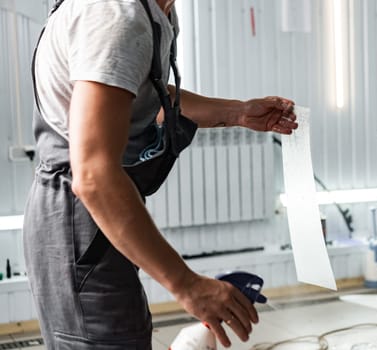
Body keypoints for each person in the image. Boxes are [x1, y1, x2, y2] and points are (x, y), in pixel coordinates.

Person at [23, 0, 298, 348]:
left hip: (97, 214)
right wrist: (188, 285)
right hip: (79, 216)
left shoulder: (156, 12)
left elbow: (138, 92)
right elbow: (93, 176)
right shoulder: (116, 17)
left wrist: (239, 112)